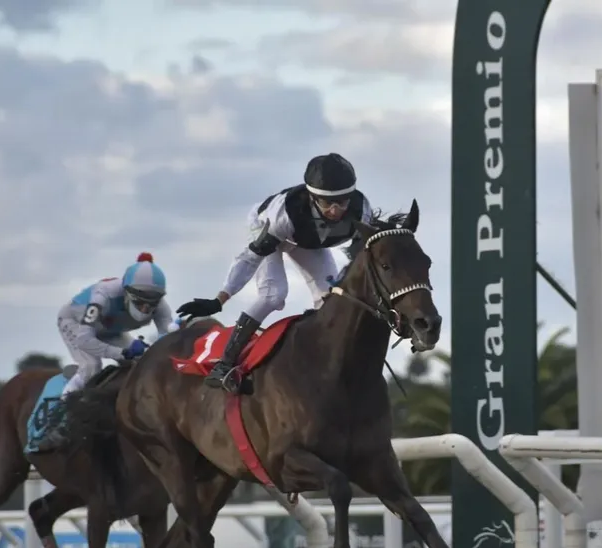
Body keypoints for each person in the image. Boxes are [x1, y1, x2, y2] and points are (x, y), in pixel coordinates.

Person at [175, 152, 373, 392]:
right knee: (274, 296)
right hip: (269, 229)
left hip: (308, 241)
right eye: (326, 203)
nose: (335, 211)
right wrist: (220, 299)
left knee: (330, 298)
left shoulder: (361, 211)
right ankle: (225, 363)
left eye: (342, 202)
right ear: (312, 197)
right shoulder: (284, 215)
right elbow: (250, 259)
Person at [33, 252, 173, 450]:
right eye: (140, 301)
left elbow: (167, 341)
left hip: (111, 330)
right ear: (126, 292)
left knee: (141, 364)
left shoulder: (161, 306)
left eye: (152, 302)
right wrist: (122, 353)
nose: (145, 308)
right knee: (91, 366)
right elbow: (84, 339)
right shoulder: (103, 295)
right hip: (75, 324)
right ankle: (58, 422)